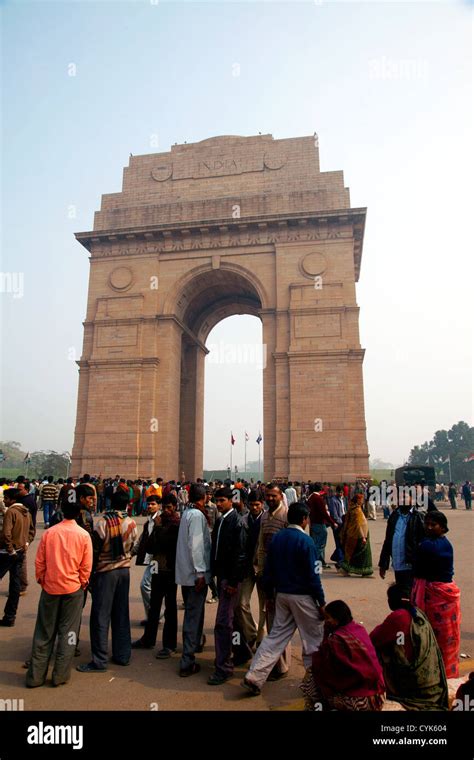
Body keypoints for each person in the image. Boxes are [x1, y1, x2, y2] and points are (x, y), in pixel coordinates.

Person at [241, 502, 325, 696]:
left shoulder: (277, 539)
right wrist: (321, 602)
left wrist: (269, 594)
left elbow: (268, 570)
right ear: (304, 520)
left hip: (282, 596)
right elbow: (314, 577)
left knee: (274, 638)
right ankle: (318, 683)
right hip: (303, 598)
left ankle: (254, 676)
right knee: (313, 640)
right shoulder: (307, 541)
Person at [25, 498, 93, 687]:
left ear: (61, 511)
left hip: (50, 588)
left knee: (44, 632)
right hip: (73, 588)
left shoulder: (50, 533)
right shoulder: (83, 535)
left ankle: (35, 677)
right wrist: (82, 583)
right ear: (79, 513)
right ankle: (60, 675)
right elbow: (86, 566)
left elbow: (39, 562)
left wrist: (42, 580)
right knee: (69, 633)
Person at [76, 489, 138, 672]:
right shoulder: (132, 523)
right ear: (127, 504)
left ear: (111, 503)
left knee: (100, 616)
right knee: (121, 613)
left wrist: (89, 573)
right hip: (124, 572)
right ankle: (122, 655)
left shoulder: (102, 523)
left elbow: (94, 550)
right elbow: (133, 546)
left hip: (105, 572)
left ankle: (100, 660)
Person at [370, 584, 448, 711]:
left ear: (392, 600)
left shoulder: (399, 617)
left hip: (414, 687)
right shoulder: (418, 613)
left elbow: (373, 639)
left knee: (376, 653)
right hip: (431, 684)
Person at [300, 600, 385, 711]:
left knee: (311, 678)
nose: (326, 621)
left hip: (361, 701)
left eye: (328, 618)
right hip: (379, 694)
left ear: (337, 619)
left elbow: (322, 666)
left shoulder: (336, 640)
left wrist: (326, 634)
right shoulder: (358, 629)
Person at [411, 511, 461, 678]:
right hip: (441, 591)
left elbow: (417, 557)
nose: (429, 527)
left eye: (434, 525)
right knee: (443, 636)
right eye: (427, 524)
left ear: (443, 527)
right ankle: (444, 671)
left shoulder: (432, 546)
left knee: (438, 637)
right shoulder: (439, 543)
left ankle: (439, 674)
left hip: (438, 594)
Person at [207, 487, 247, 685]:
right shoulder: (222, 519)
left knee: (223, 623)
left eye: (222, 500)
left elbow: (240, 554)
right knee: (233, 619)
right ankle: (242, 651)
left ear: (232, 500)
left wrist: (233, 581)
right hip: (223, 576)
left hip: (230, 580)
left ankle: (224, 667)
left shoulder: (236, 522)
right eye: (217, 500)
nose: (219, 503)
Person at [132, 493, 180, 658]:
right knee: (154, 606)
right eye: (164, 507)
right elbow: (151, 547)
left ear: (175, 508)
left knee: (170, 608)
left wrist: (158, 529)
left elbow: (167, 544)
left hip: (170, 571)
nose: (166, 511)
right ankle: (148, 638)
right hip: (157, 569)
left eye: (169, 508)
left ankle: (169, 645)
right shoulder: (158, 522)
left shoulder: (176, 524)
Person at [175, 482, 211, 677]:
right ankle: (187, 661)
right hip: (194, 575)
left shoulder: (187, 513)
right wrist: (200, 573)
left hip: (186, 573)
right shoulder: (197, 515)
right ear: (204, 497)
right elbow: (196, 545)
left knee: (195, 612)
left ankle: (196, 643)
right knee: (192, 615)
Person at [256, 482, 290, 680]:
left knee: (281, 622)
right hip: (267, 576)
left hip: (283, 577)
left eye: (273, 496)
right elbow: (261, 546)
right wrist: (260, 570)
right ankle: (278, 663)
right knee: (272, 619)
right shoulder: (265, 517)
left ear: (281, 496)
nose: (269, 499)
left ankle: (281, 665)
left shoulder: (286, 516)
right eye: (267, 496)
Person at [235, 490, 266, 651]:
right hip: (247, 568)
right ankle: (252, 634)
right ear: (247, 504)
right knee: (241, 604)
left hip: (263, 569)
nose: (254, 507)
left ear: (262, 504)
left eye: (257, 504)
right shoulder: (242, 520)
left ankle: (261, 640)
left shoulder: (269, 520)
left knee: (264, 608)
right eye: (252, 504)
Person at [0, 488, 35, 626]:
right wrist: (26, 543)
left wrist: (10, 550)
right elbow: (32, 531)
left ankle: (9, 616)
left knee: (14, 584)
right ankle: (10, 616)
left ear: (12, 500)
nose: (4, 500)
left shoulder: (11, 512)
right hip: (20, 550)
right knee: (15, 585)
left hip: (7, 552)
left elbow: (6, 534)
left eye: (6, 498)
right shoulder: (26, 512)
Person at [378, 490, 425, 588]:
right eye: (399, 498)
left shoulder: (418, 517)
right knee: (401, 592)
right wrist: (383, 564)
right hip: (397, 564)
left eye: (405, 497)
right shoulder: (394, 516)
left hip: (412, 565)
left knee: (411, 593)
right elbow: (388, 541)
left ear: (412, 500)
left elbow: (423, 542)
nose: (402, 500)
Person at [131, 494, 162, 623]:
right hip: (151, 558)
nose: (150, 506)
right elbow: (142, 539)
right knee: (153, 586)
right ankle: (153, 616)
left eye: (153, 504)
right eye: (148, 504)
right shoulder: (150, 520)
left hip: (157, 559)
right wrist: (131, 552)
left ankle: (156, 614)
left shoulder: (160, 520)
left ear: (158, 505)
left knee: (145, 585)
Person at [338, 493, 373, 576]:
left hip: (355, 534)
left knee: (351, 553)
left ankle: (346, 569)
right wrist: (363, 537)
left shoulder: (353, 508)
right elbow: (358, 524)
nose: (362, 501)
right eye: (361, 500)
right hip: (358, 535)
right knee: (360, 554)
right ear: (358, 500)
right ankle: (362, 571)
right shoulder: (356, 510)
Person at [307, 482, 337, 569]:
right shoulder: (318, 498)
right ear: (320, 489)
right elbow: (323, 513)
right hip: (319, 523)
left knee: (317, 543)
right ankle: (314, 564)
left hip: (313, 523)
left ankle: (320, 563)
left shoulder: (311, 497)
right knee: (320, 545)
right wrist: (332, 522)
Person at [328, 486, 346, 567]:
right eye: (339, 492)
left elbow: (344, 510)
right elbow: (334, 515)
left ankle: (336, 556)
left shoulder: (343, 499)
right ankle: (340, 561)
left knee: (342, 542)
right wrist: (341, 523)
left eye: (342, 492)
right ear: (336, 492)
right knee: (338, 542)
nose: (340, 494)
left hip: (343, 523)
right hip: (337, 525)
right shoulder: (333, 500)